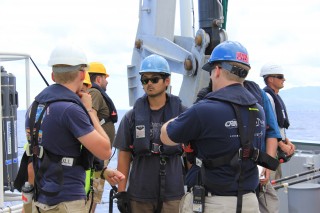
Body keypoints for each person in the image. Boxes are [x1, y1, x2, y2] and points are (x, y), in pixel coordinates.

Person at [161, 41, 279, 213]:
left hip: (214, 204)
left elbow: (166, 137)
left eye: (210, 71)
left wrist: (178, 119)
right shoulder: (258, 110)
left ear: (216, 70)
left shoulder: (204, 109)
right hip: (249, 202)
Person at [24, 42, 119, 213]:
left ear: (53, 76)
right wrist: (89, 110)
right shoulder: (71, 110)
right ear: (83, 74)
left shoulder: (34, 107)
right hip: (67, 202)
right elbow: (105, 150)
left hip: (40, 198)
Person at [113, 54, 186, 213]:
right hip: (140, 195)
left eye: (154, 79)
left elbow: (191, 151)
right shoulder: (131, 117)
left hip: (173, 195)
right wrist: (121, 191)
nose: (149, 84)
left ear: (167, 81)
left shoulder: (182, 114)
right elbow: (124, 154)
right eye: (145, 80)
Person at [260, 62, 296, 211]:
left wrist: (288, 141)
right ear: (270, 79)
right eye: (280, 77)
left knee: (273, 185)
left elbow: (278, 125)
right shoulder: (267, 97)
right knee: (267, 189)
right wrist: (282, 145)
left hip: (277, 147)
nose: (284, 79)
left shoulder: (274, 97)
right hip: (271, 150)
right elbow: (269, 126)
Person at [87, 62, 118, 212]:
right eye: (105, 78)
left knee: (95, 195)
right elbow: (87, 116)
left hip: (98, 156)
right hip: (95, 157)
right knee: (92, 194)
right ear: (98, 79)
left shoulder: (94, 93)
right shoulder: (95, 93)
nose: (107, 81)